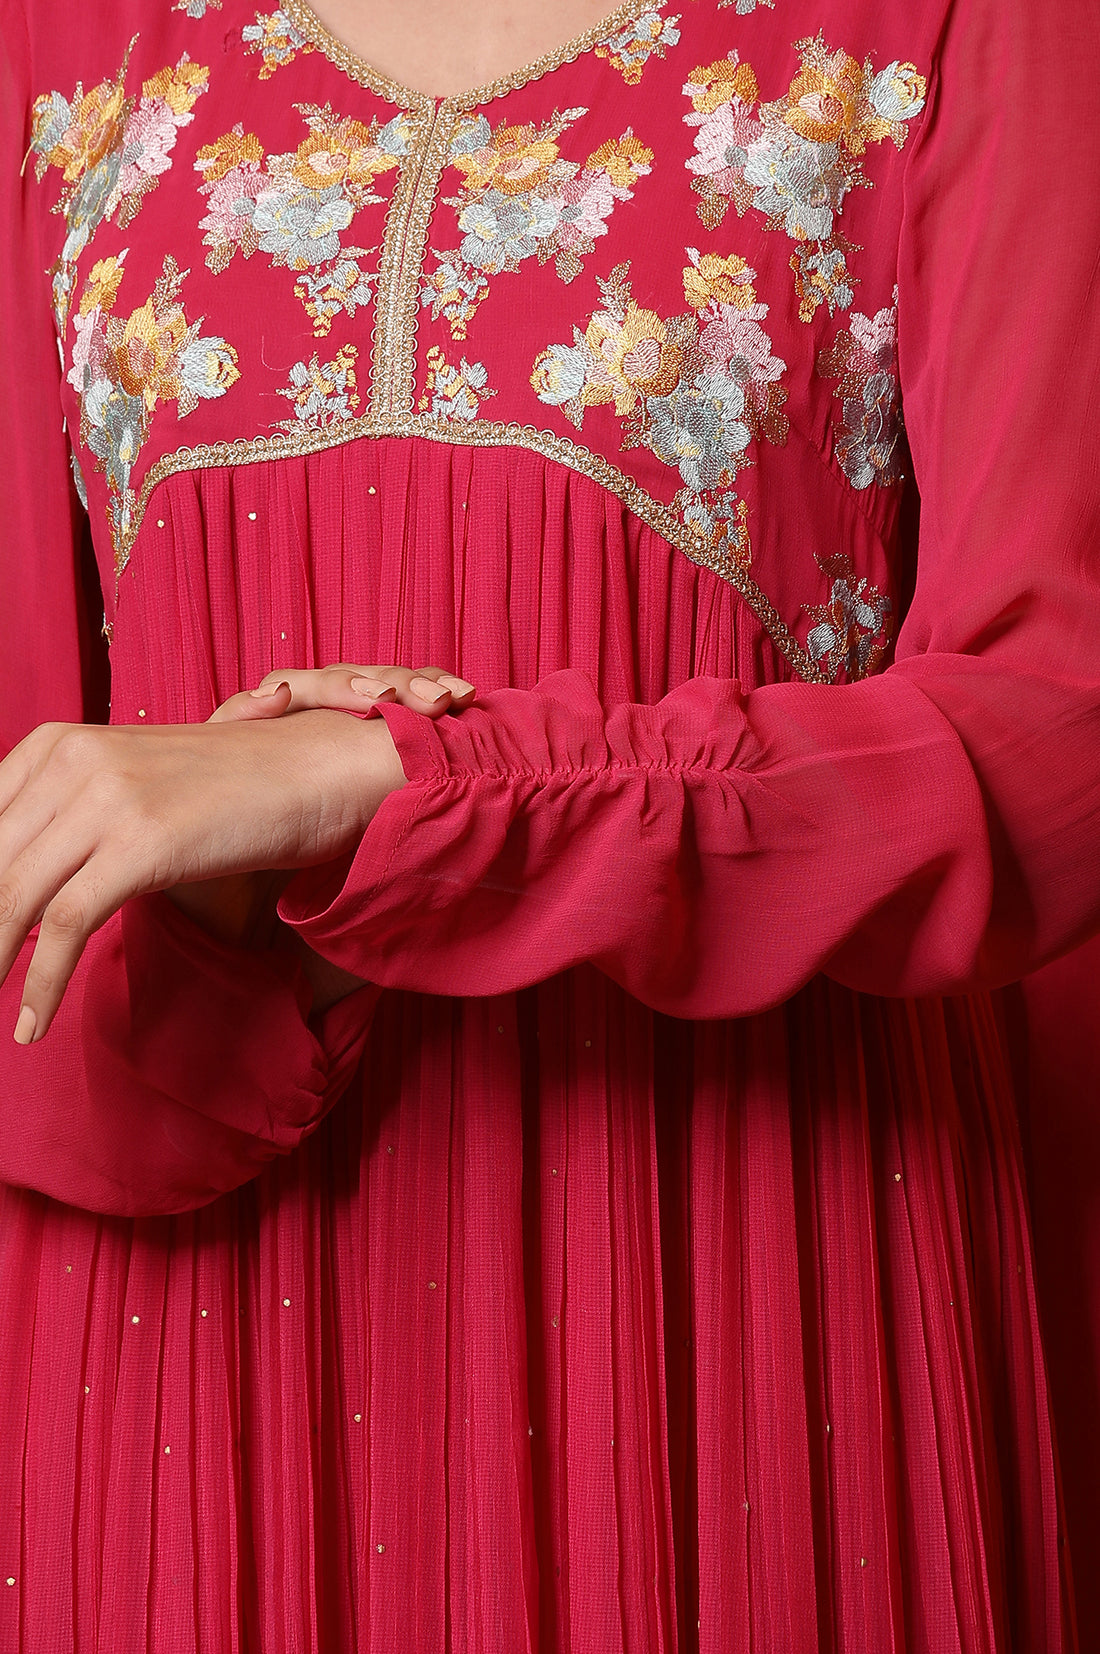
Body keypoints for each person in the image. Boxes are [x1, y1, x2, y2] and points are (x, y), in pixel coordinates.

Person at [0, 0, 1097, 1646]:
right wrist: (221, 934)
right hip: (190, 1335)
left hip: (750, 1298)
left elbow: (1058, 739)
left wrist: (409, 784)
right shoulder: (50, 38)